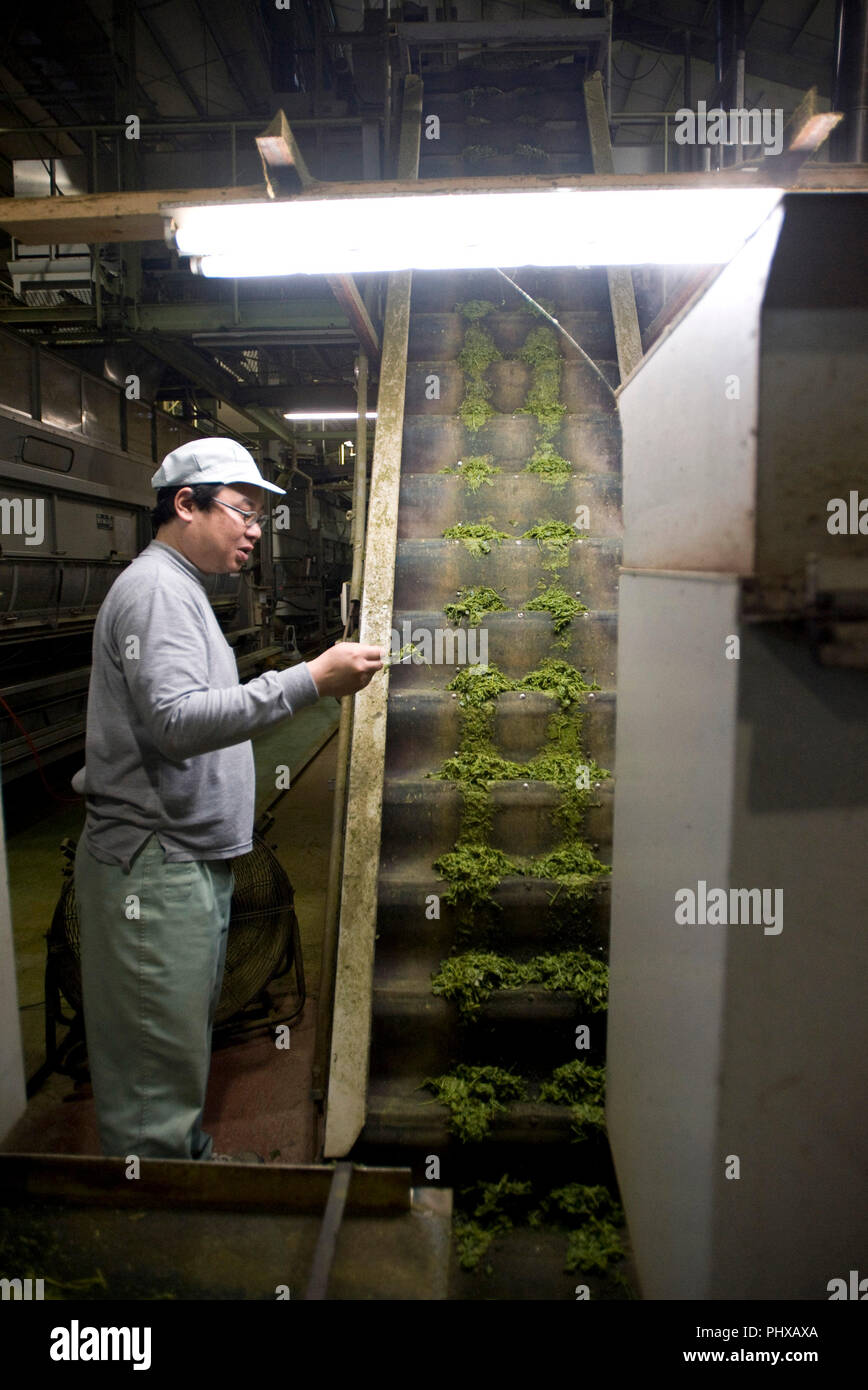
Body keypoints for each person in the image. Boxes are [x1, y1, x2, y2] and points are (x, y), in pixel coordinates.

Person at [73, 437, 382, 1161]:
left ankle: (186, 1169)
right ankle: (158, 1218)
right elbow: (176, 722)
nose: (254, 531)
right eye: (243, 512)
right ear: (186, 504)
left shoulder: (183, 589)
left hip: (183, 858)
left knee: (171, 1049)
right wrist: (309, 680)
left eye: (258, 518)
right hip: (153, 865)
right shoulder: (156, 592)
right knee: (154, 1072)